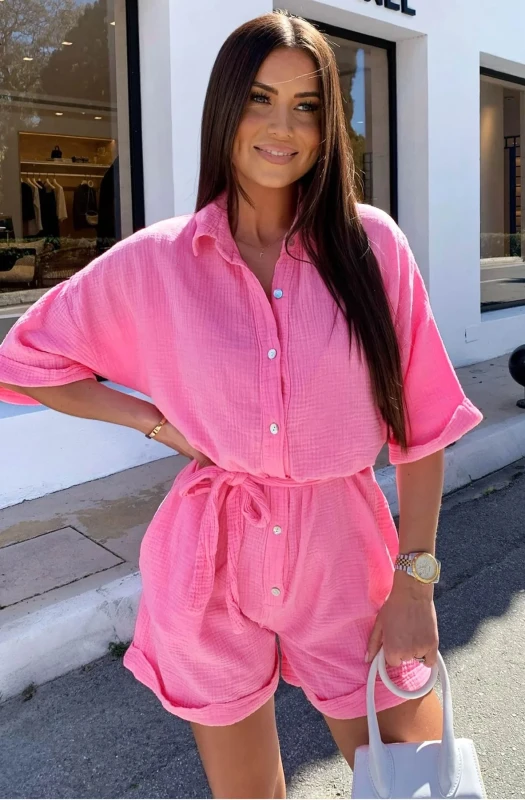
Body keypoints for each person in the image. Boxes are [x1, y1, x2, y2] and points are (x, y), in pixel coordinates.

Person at [0, 12, 482, 799]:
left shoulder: (371, 248)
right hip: (208, 562)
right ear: (225, 107)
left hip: (344, 557)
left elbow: (421, 428)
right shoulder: (158, 262)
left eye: (306, 105)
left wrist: (415, 583)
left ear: (328, 126)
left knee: (415, 783)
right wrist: (151, 421)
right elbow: (26, 361)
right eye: (260, 98)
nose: (281, 128)